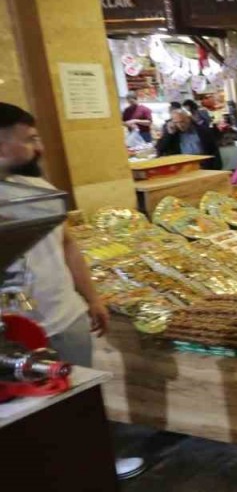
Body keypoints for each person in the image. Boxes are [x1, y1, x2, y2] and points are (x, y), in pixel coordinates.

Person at [0, 103, 146, 481]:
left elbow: (67, 245)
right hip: (17, 331)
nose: (40, 148)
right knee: (26, 408)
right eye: (29, 140)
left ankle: (97, 462)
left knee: (79, 395)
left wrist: (92, 297)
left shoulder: (37, 189)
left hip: (65, 314)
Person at [155, 109, 222, 169]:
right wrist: (169, 134)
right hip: (182, 168)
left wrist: (217, 168)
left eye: (182, 121)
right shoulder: (172, 134)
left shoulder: (202, 131)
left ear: (188, 119)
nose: (180, 125)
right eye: (176, 122)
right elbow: (160, 149)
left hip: (204, 166)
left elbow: (214, 150)